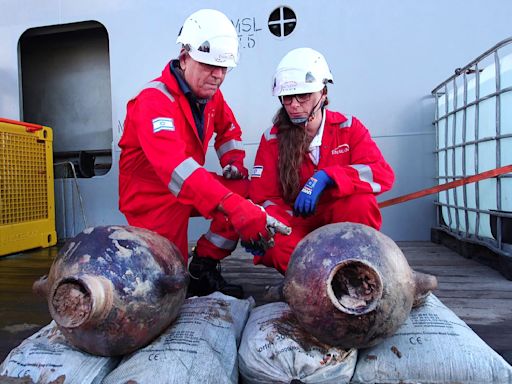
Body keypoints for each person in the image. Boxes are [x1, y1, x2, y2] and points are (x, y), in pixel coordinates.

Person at [118, 9, 286, 298]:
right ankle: (180, 276)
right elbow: (175, 169)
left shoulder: (210, 95)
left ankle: (203, 267)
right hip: (153, 198)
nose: (218, 76)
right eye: (209, 66)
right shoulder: (153, 102)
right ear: (184, 58)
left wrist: (233, 162)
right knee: (168, 283)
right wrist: (233, 207)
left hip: (189, 185)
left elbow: (229, 129)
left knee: (246, 190)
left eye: (224, 69)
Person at [248, 47, 395, 274]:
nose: (294, 104)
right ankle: (325, 281)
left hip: (339, 219)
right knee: (274, 241)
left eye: (303, 96)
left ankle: (353, 270)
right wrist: (281, 221)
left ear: (323, 93)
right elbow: (263, 197)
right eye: (287, 97)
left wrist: (328, 177)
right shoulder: (272, 138)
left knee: (361, 203)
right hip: (296, 223)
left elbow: (381, 174)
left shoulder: (348, 128)